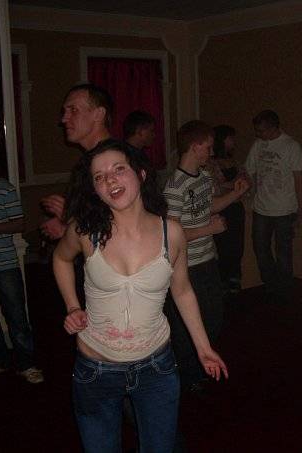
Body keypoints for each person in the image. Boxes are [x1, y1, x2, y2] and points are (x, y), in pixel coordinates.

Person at [53, 139, 228, 452]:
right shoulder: (85, 231)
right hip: (96, 368)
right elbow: (61, 258)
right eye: (99, 176)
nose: (109, 179)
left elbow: (182, 290)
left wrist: (203, 348)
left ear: (141, 174)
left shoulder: (171, 232)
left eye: (119, 169)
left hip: (156, 367)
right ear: (94, 189)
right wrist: (72, 306)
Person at [163, 120, 248, 391]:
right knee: (186, 323)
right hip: (186, 267)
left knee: (214, 317)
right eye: (208, 147)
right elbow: (170, 237)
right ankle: (187, 375)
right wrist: (207, 229)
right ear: (194, 146)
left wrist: (235, 194)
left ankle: (196, 364)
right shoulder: (174, 188)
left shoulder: (203, 177)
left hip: (208, 259)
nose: (211, 152)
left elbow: (209, 206)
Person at [0, 138, 43, 383]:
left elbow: (20, 224)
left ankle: (27, 364)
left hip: (4, 264)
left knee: (16, 315)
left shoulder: (4, 188)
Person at [245, 110, 302, 303]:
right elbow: (249, 171)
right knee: (260, 249)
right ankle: (271, 285)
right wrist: (250, 190)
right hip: (261, 208)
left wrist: (300, 209)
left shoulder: (291, 146)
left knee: (283, 252)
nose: (258, 134)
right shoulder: (258, 145)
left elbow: (299, 180)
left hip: (284, 210)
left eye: (262, 130)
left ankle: (285, 290)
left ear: (273, 128)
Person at [40, 84, 113, 240]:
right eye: (65, 111)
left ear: (99, 114)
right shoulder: (88, 161)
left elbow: (120, 225)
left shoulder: (114, 160)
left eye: (73, 110)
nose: (64, 119)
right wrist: (67, 229)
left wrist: (69, 217)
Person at [207, 125, 248, 295]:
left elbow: (246, 182)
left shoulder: (235, 162)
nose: (234, 142)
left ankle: (234, 280)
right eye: (231, 138)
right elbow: (215, 188)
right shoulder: (210, 163)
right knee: (222, 247)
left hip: (236, 209)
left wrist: (233, 186)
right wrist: (233, 186)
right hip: (221, 209)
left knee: (237, 247)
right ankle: (222, 282)